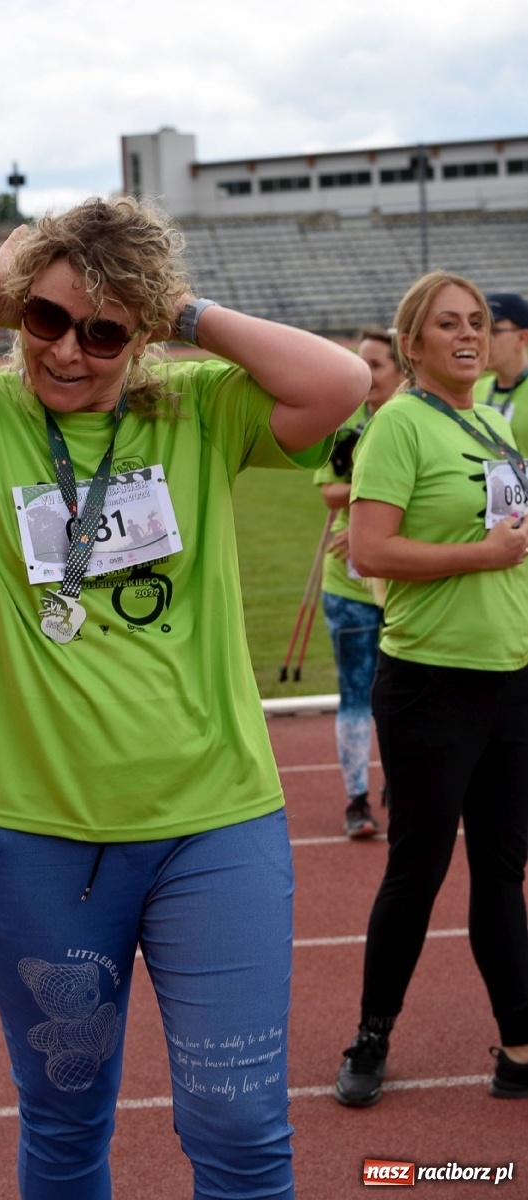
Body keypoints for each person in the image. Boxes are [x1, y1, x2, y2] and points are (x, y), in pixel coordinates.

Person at [0, 195, 370, 1199]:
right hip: (36, 843)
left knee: (242, 1125)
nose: (69, 351)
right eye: (48, 321)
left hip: (213, 829)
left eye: (106, 331)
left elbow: (341, 380)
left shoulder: (197, 408)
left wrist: (184, 313)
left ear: (144, 335)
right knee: (68, 1121)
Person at [333, 270, 528, 1109]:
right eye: (447, 324)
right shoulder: (398, 426)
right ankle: (371, 1038)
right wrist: (479, 557)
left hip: (511, 680)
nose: (467, 336)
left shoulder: (492, 422)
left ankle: (518, 1048)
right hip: (429, 684)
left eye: (477, 323)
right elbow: (367, 552)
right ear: (411, 343)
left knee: (502, 872)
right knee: (417, 867)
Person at [313, 326, 405, 838]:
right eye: (360, 362)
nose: (366, 374)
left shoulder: (417, 424)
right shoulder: (344, 425)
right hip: (348, 587)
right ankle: (356, 800)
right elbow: (328, 493)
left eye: (377, 365)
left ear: (402, 370)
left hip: (407, 584)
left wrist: (370, 527)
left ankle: (401, 781)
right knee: (354, 693)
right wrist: (366, 514)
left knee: (405, 693)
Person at [472, 292, 528, 454]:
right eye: (481, 330)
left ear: (522, 338)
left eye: (494, 332)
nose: (483, 340)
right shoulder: (473, 390)